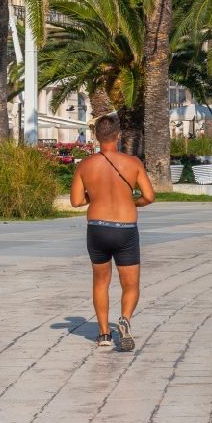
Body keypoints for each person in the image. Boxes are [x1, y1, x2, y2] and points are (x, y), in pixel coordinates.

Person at [69, 114, 155, 351]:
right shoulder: (133, 163)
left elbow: (76, 201)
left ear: (96, 137)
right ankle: (124, 319)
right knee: (131, 284)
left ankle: (104, 334)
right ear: (118, 136)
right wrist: (131, 203)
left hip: (97, 228)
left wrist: (95, 196)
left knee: (101, 282)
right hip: (125, 229)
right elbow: (149, 196)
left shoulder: (85, 165)